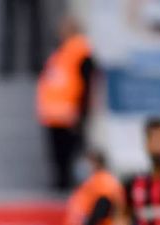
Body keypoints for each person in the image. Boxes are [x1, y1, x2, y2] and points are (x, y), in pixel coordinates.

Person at [36, 15, 94, 191]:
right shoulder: (61, 51)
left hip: (71, 114)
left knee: (72, 155)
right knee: (58, 156)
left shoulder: (81, 51)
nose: (60, 30)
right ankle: (61, 184)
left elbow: (87, 85)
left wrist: (82, 112)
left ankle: (72, 188)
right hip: (54, 114)